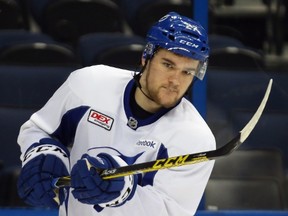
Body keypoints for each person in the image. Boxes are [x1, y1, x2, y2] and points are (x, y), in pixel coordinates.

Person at [17, 12, 216, 216]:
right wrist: (44, 155)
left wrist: (122, 191)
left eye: (187, 72)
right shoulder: (90, 84)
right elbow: (38, 129)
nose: (176, 80)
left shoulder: (195, 138)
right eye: (168, 65)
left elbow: (170, 211)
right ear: (146, 56)